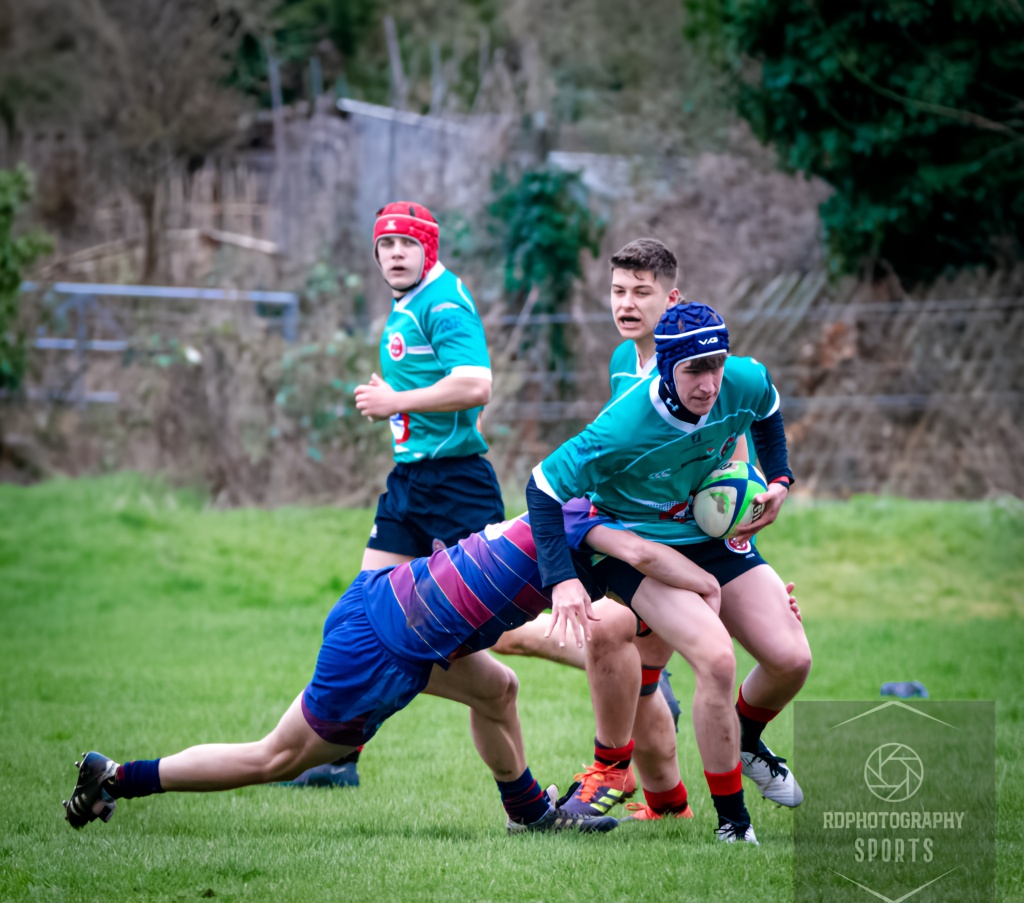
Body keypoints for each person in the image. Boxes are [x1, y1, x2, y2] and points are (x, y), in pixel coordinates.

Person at [62, 505, 725, 836]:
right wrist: (711, 587)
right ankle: (116, 777)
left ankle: (528, 812)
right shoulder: (589, 517)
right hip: (381, 643)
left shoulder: (569, 501)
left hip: (399, 613)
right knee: (277, 758)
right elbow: (639, 551)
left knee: (498, 689)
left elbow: (636, 582)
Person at [526, 300, 812, 843]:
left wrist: (778, 481)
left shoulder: (742, 380)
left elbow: (769, 410)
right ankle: (733, 824)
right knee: (716, 658)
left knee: (792, 659)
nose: (709, 383)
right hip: (640, 550)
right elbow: (542, 487)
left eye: (716, 366)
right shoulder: (624, 425)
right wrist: (561, 580)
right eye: (694, 371)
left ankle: (747, 739)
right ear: (666, 367)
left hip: (712, 538)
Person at [289, 201, 505, 788]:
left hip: (456, 484)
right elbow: (433, 378)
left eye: (407, 244)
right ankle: (338, 759)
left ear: (428, 249)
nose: (396, 254)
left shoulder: (443, 303)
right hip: (410, 484)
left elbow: (476, 383)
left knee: (499, 622)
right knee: (357, 616)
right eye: (386, 246)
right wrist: (397, 392)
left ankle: (604, 643)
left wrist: (395, 402)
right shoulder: (408, 303)